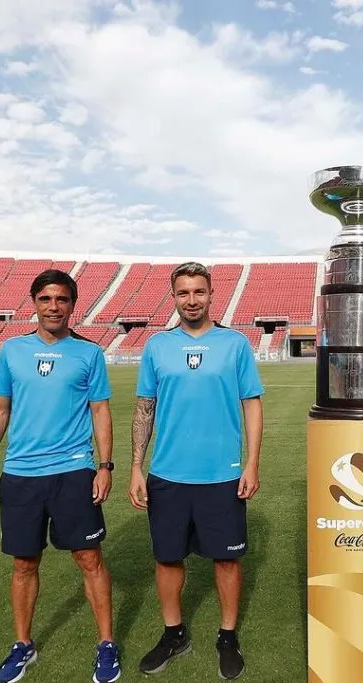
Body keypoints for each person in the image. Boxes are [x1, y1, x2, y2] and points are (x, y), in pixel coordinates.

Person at [0, 269, 120, 683]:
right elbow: (0, 409)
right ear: (34, 303)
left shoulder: (89, 353)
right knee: (23, 563)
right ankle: (23, 645)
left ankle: (106, 644)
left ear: (73, 305)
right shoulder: (12, 351)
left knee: (89, 557)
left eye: (62, 299)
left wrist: (105, 466)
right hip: (21, 474)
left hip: (74, 470)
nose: (54, 306)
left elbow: (100, 411)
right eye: (45, 299)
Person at [129, 261, 264, 680]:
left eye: (198, 292)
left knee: (226, 561)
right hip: (167, 475)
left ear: (211, 294)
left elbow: (252, 404)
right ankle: (174, 634)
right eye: (183, 292)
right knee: (168, 559)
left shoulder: (235, 344)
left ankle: (227, 636)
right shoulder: (156, 346)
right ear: (174, 297)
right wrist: (136, 467)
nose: (191, 300)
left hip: (221, 475)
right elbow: (143, 409)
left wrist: (252, 462)